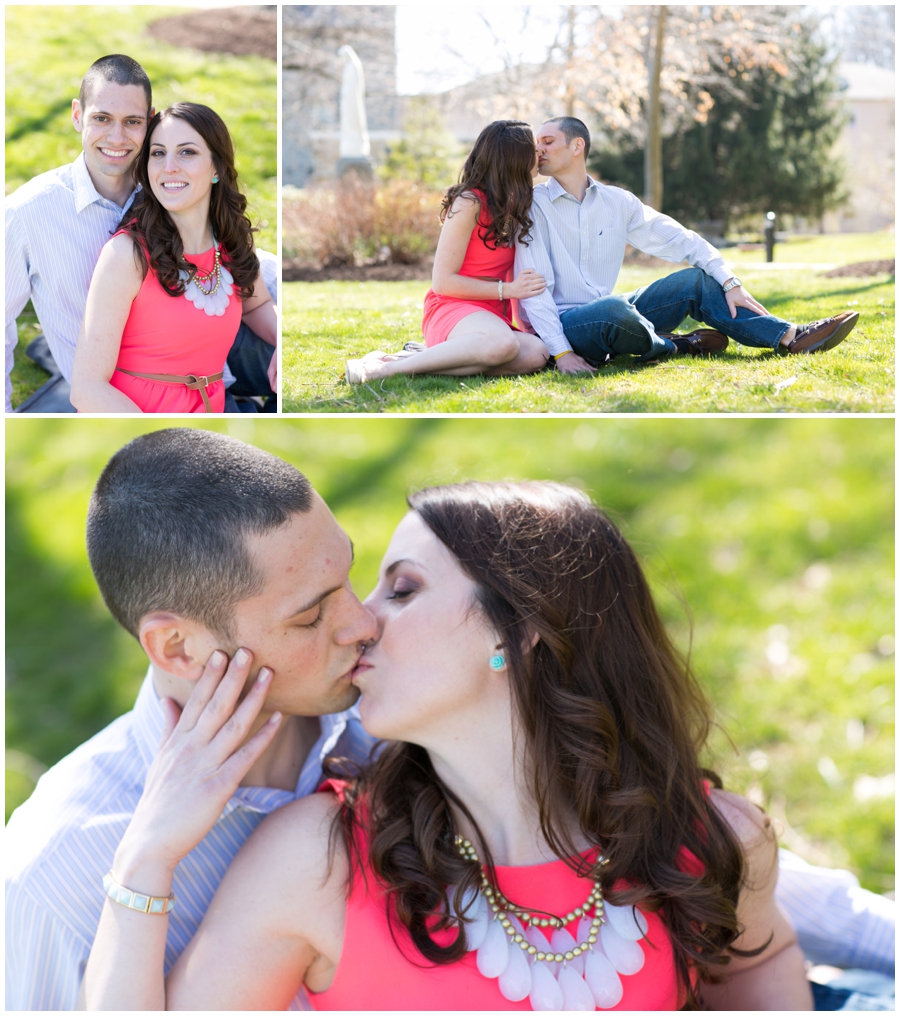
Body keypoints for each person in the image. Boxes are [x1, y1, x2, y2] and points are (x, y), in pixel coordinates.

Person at [82, 480, 814, 1011]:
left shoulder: (714, 843)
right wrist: (147, 856)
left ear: (519, 629)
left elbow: (764, 961)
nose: (364, 622)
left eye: (401, 590)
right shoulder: (318, 864)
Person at [5, 428, 376, 1011]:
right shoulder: (54, 876)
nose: (363, 626)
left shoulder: (394, 724)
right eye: (309, 617)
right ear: (177, 648)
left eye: (349, 577)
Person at [5, 55, 276, 413]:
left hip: (211, 361)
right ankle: (49, 355)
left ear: (148, 122)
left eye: (132, 122)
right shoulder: (27, 213)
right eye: (101, 118)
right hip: (112, 392)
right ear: (77, 116)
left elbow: (241, 270)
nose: (116, 137)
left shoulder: (167, 186)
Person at [514, 117, 861, 375]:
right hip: (567, 324)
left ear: (577, 146)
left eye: (547, 141)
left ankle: (790, 336)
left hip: (614, 311)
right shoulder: (530, 204)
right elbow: (533, 291)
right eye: (536, 144)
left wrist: (729, 281)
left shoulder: (617, 201)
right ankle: (675, 344)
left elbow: (679, 238)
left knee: (693, 281)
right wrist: (561, 354)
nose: (538, 150)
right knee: (612, 311)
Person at [69, 103, 276, 413]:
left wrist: (282, 341)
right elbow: (86, 388)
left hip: (214, 416)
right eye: (158, 153)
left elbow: (256, 303)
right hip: (140, 427)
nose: (169, 167)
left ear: (217, 168)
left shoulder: (232, 242)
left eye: (187, 152)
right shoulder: (127, 254)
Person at [345, 121, 551, 385]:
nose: (539, 154)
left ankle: (411, 359)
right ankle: (381, 371)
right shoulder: (470, 202)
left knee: (536, 354)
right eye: (534, 149)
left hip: (490, 317)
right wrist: (509, 290)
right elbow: (443, 282)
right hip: (451, 306)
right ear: (515, 156)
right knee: (502, 345)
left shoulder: (516, 203)